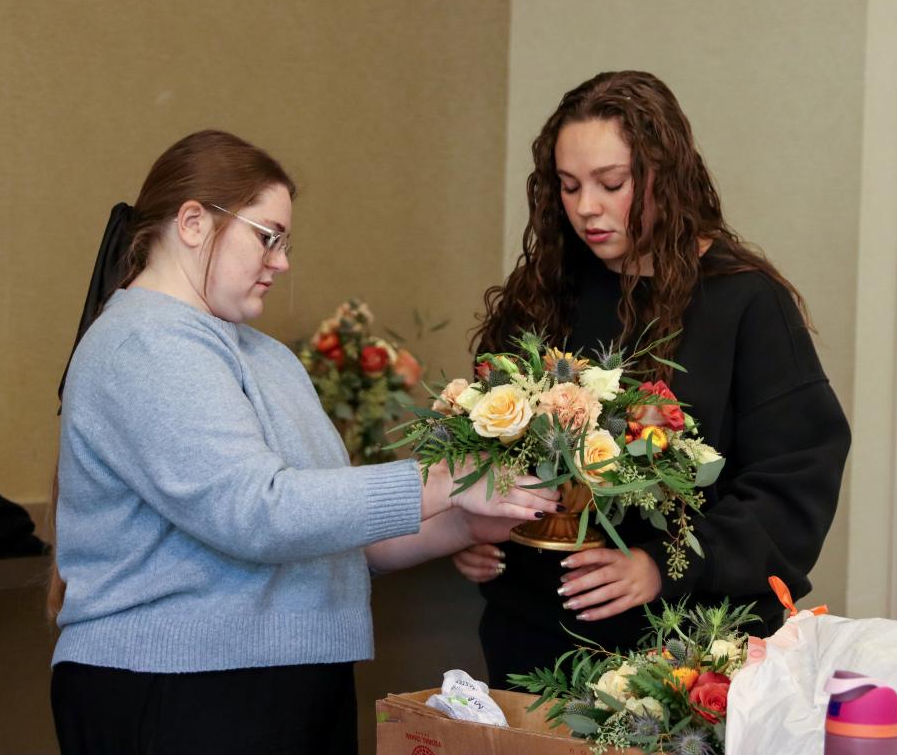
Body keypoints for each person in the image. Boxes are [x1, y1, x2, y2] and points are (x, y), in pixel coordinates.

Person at [47, 129, 559, 754]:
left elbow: (331, 533)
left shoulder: (265, 356)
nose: (282, 262)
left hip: (283, 683)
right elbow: (257, 512)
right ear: (191, 222)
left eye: (285, 242)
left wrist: (467, 522)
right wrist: (444, 482)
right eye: (268, 236)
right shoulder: (145, 343)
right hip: (180, 687)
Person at [452, 71, 851, 688]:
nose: (588, 207)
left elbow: (796, 480)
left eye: (612, 184)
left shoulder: (744, 302)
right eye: (569, 186)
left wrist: (662, 567)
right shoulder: (543, 297)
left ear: (666, 175)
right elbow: (485, 447)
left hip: (688, 652)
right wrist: (470, 531)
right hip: (533, 643)